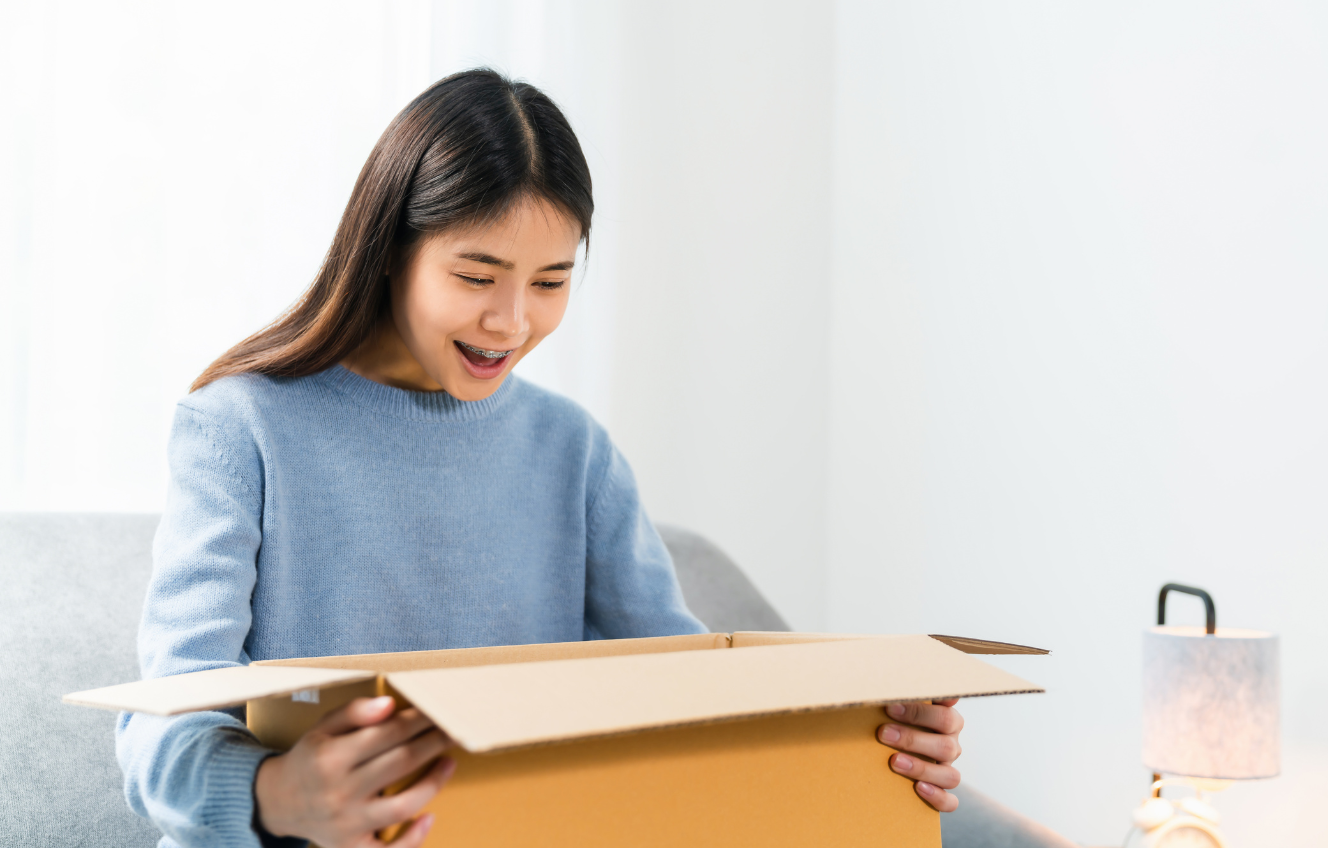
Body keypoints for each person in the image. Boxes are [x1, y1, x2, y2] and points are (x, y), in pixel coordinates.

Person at [115, 69, 965, 848]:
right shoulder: (241, 428)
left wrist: (877, 735)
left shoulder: (574, 453)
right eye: (477, 276)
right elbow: (158, 725)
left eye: (551, 282)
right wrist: (273, 794)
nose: (511, 322)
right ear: (390, 252)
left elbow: (694, 697)